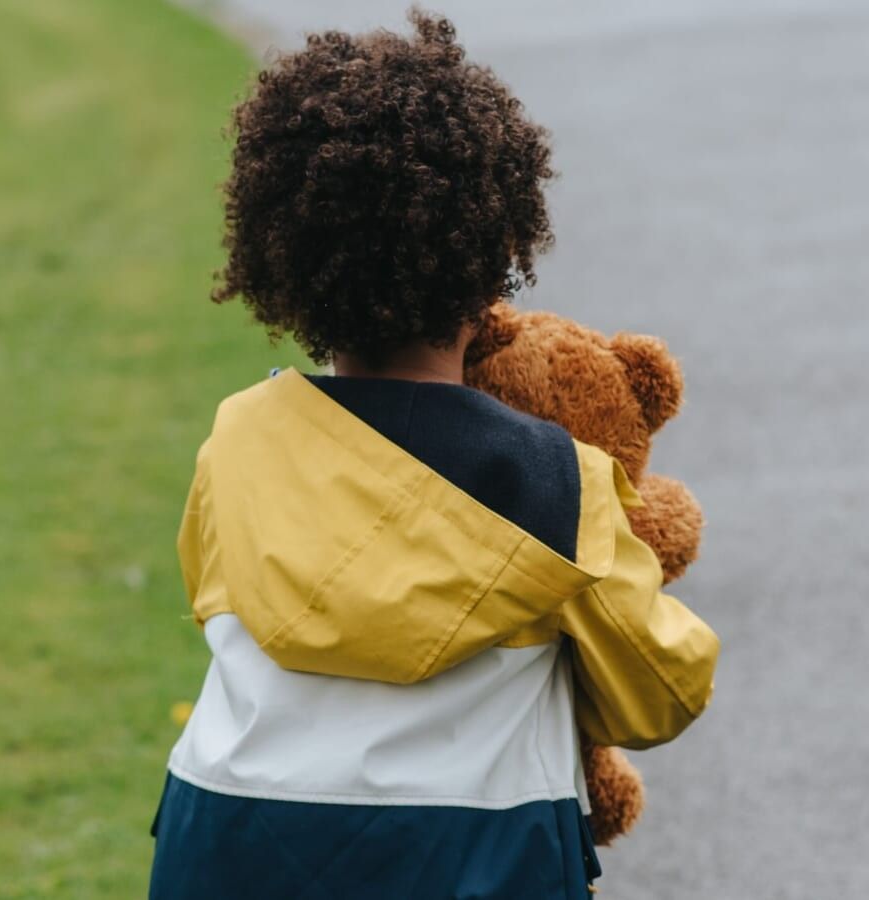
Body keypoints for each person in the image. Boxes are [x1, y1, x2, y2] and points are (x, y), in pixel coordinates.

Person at [148, 11, 718, 898]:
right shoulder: (554, 483)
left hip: (226, 840)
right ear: (493, 262)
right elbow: (662, 690)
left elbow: (218, 597)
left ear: (285, 267)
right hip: (472, 854)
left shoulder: (240, 438)